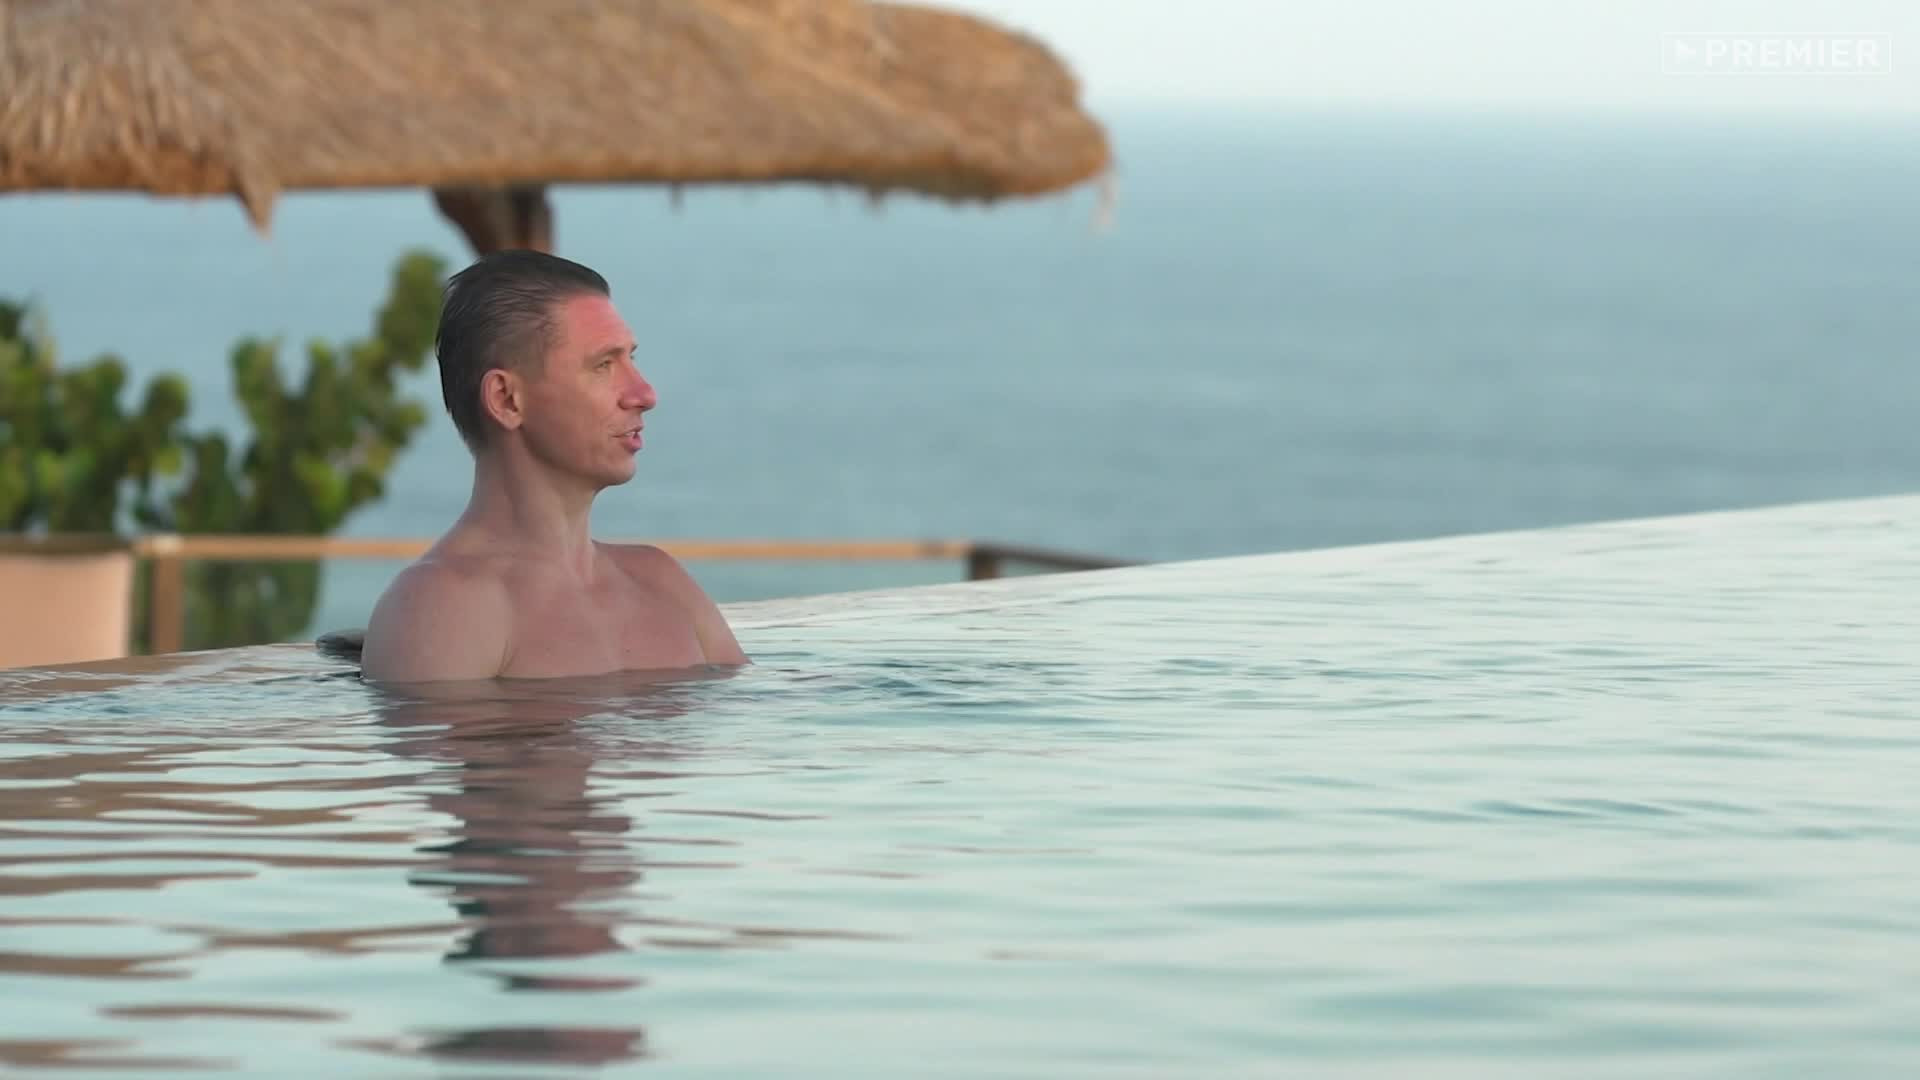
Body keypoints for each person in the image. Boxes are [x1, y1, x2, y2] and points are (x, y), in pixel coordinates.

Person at [360, 250, 748, 684]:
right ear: (507, 400)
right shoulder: (442, 611)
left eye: (631, 359)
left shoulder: (661, 581)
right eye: (604, 365)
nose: (644, 394)